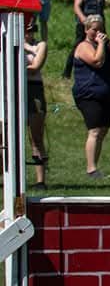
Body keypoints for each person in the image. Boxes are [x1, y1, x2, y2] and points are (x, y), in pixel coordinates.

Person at [71, 14, 110, 179]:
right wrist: (100, 44)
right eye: (94, 29)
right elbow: (96, 61)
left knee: (102, 131)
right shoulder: (82, 46)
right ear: (87, 30)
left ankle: (95, 167)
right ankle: (91, 169)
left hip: (106, 95)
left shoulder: (104, 44)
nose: (98, 32)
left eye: (101, 29)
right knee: (94, 131)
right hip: (89, 95)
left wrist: (106, 42)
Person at [63, 0, 107, 78]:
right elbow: (76, 6)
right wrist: (83, 19)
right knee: (78, 45)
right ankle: (67, 72)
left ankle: (102, 69)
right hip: (85, 24)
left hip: (99, 23)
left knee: (103, 43)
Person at [24, 17, 49, 190]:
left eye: (31, 30)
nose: (29, 34)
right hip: (14, 87)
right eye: (26, 30)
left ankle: (40, 179)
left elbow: (35, 67)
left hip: (33, 89)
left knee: (36, 136)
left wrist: (22, 46)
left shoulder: (40, 45)